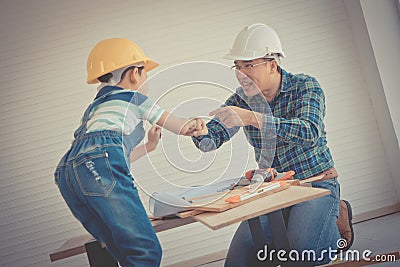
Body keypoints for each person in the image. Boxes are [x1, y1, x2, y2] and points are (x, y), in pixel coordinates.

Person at [192, 23, 353, 266]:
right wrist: (198, 130)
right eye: (237, 66)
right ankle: (292, 225)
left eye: (249, 65)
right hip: (274, 189)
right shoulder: (241, 99)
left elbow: (308, 131)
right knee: (239, 259)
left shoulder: (305, 86)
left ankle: (337, 222)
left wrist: (252, 118)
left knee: (301, 254)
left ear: (272, 64)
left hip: (316, 183)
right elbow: (211, 140)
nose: (241, 73)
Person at [54, 38, 205, 267]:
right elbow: (179, 126)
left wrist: (149, 146)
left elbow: (95, 160)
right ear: (135, 73)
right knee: (145, 251)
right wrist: (195, 125)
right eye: (146, 74)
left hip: (68, 172)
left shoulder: (94, 109)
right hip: (98, 164)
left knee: (120, 249)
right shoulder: (135, 99)